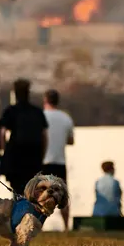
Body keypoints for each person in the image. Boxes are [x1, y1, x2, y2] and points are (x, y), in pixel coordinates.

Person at [0, 78, 48, 196]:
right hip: (34, 157)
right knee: (33, 191)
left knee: (17, 192)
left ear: (15, 93)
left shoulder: (10, 111)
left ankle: (18, 213)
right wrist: (43, 154)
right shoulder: (37, 112)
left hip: (15, 158)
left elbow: (2, 133)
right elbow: (45, 135)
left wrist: (4, 151)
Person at [41, 89, 74, 231]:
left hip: (43, 161)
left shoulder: (41, 116)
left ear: (45, 100)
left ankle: (39, 225)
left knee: (40, 195)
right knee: (63, 196)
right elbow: (71, 140)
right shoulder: (66, 118)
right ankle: (66, 226)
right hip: (60, 162)